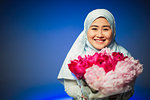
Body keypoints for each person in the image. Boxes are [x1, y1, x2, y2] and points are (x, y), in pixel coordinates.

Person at [57, 9, 134, 100]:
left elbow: (130, 88)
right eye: (94, 28)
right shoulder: (76, 54)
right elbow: (70, 86)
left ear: (113, 30)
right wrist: (84, 96)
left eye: (105, 29)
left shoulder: (123, 54)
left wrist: (116, 96)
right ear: (86, 30)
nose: (100, 34)